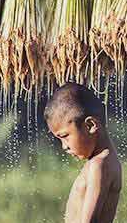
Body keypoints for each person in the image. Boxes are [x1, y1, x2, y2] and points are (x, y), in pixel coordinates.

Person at [46, 83, 122, 223]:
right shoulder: (104, 161)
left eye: (65, 136)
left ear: (90, 125)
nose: (64, 147)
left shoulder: (99, 165)